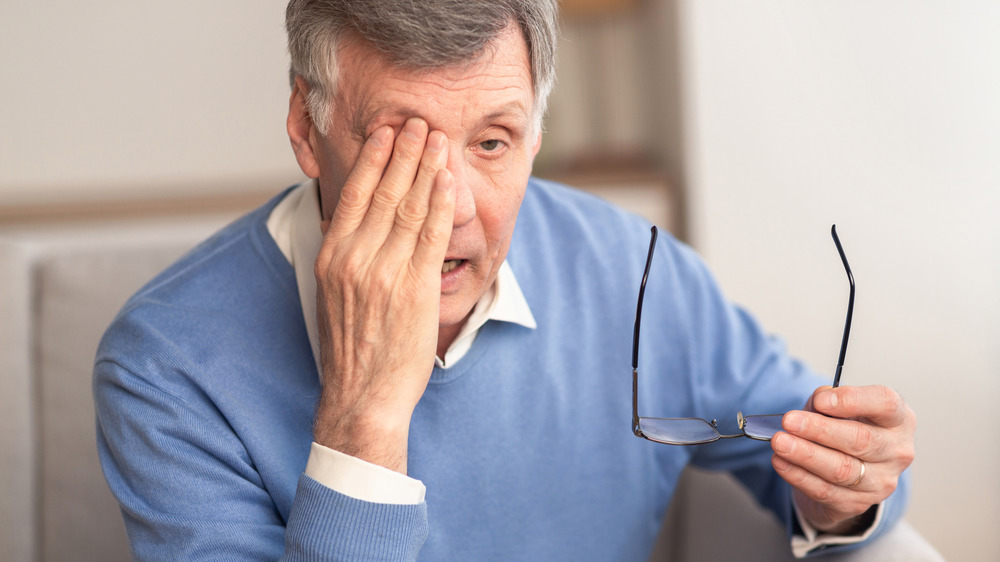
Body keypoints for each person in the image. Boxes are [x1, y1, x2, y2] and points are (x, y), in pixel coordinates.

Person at [93, 0, 916, 559]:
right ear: (307, 131)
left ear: (536, 133)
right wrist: (366, 416)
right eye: (400, 149)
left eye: (491, 143)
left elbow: (832, 477)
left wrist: (847, 490)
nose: (449, 210)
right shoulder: (164, 364)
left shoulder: (634, 272)